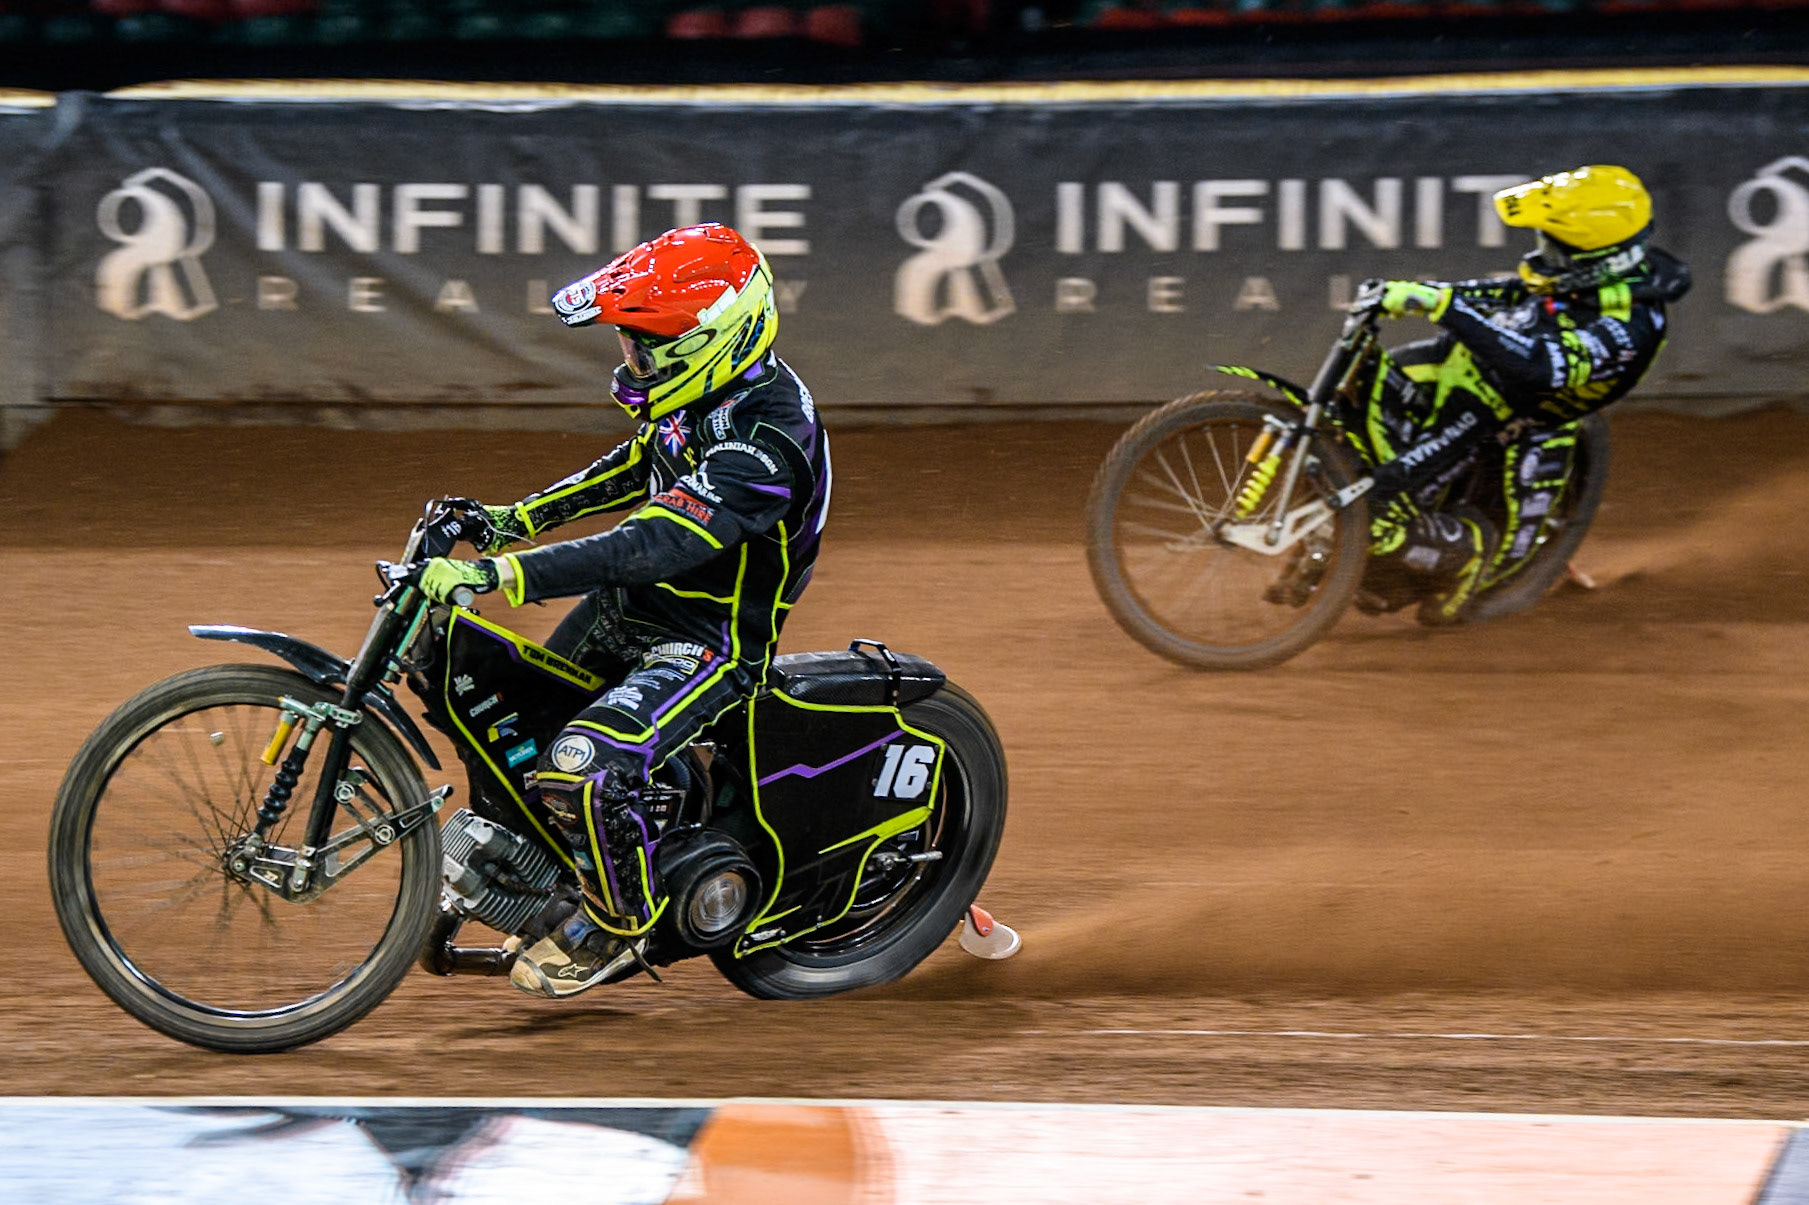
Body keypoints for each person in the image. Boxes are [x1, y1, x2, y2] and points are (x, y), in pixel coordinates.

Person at [415, 223, 831, 997]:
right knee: (510, 703)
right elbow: (642, 460)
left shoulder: (767, 441)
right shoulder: (707, 393)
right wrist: (513, 519)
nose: (628, 359)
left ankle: (617, 921)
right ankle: (545, 870)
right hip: (628, 612)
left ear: (709, 340)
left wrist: (508, 571)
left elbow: (647, 545)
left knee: (585, 764)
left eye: (642, 346)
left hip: (709, 641)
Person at [1355, 164, 1690, 625]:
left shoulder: (1628, 327)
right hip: (1483, 382)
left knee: (1395, 515)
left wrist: (1445, 306)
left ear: (1592, 258)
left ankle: (1461, 552)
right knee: (1367, 390)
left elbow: (1538, 366)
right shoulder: (1584, 281)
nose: (1542, 254)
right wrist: (1429, 294)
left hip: (1529, 415)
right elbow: (1517, 292)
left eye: (1554, 247)